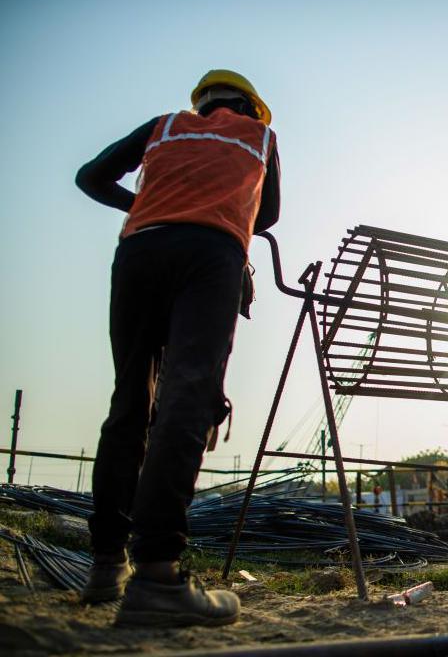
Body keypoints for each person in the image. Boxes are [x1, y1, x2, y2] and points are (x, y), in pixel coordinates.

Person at [75, 69, 280, 628]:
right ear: (250, 108)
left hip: (140, 250)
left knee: (129, 402)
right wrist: (209, 215)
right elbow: (268, 214)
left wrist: (147, 207)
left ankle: (104, 565)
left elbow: (90, 177)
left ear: (203, 103)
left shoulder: (163, 127)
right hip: (209, 255)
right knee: (187, 396)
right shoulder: (261, 138)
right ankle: (158, 576)